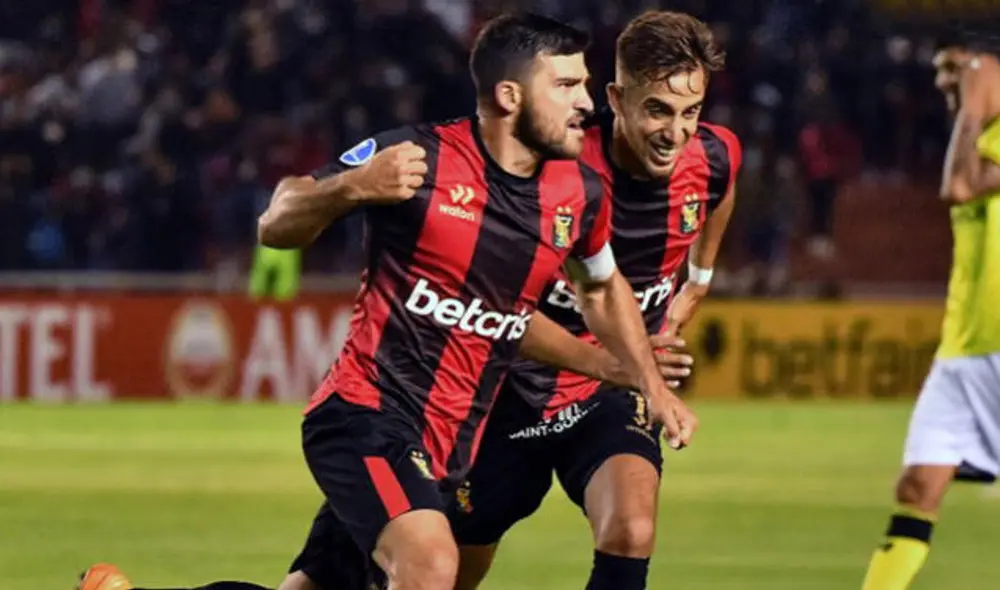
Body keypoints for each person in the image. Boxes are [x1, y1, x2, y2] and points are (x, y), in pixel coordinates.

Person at [78, 12, 696, 590]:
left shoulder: (579, 192)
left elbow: (601, 286)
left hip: (448, 450)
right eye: (566, 86)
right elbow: (278, 219)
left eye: (584, 85)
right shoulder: (420, 159)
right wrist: (351, 187)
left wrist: (646, 381)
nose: (587, 104)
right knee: (431, 565)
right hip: (365, 416)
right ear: (511, 97)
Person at [448, 11, 739, 590]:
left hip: (611, 395)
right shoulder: (554, 169)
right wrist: (631, 363)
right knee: (451, 567)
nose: (675, 133)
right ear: (615, 96)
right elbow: (503, 313)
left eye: (691, 112)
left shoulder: (715, 158)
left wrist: (695, 286)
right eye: (657, 109)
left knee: (631, 530)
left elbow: (719, 198)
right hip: (511, 391)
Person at [859, 41, 1000, 590]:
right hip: (963, 348)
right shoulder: (982, 139)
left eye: (956, 76)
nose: (948, 91)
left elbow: (958, 185)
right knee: (917, 489)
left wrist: (975, 96)